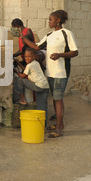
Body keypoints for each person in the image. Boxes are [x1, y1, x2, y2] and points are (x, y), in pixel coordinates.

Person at [21, 10, 78, 138]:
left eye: (51, 19)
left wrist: (60, 55)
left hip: (61, 73)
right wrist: (23, 39)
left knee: (58, 99)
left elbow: (75, 52)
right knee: (55, 99)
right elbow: (36, 47)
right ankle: (60, 123)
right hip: (50, 73)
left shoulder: (66, 33)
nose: (49, 21)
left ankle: (58, 129)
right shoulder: (49, 35)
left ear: (58, 20)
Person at [13, 48, 50, 122]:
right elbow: (26, 70)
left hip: (38, 86)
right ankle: (43, 125)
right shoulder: (35, 63)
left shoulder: (30, 65)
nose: (27, 58)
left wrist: (16, 71)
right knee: (42, 107)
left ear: (34, 56)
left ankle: (21, 98)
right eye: (26, 56)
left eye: (29, 56)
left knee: (19, 80)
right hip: (45, 87)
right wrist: (18, 62)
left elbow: (23, 76)